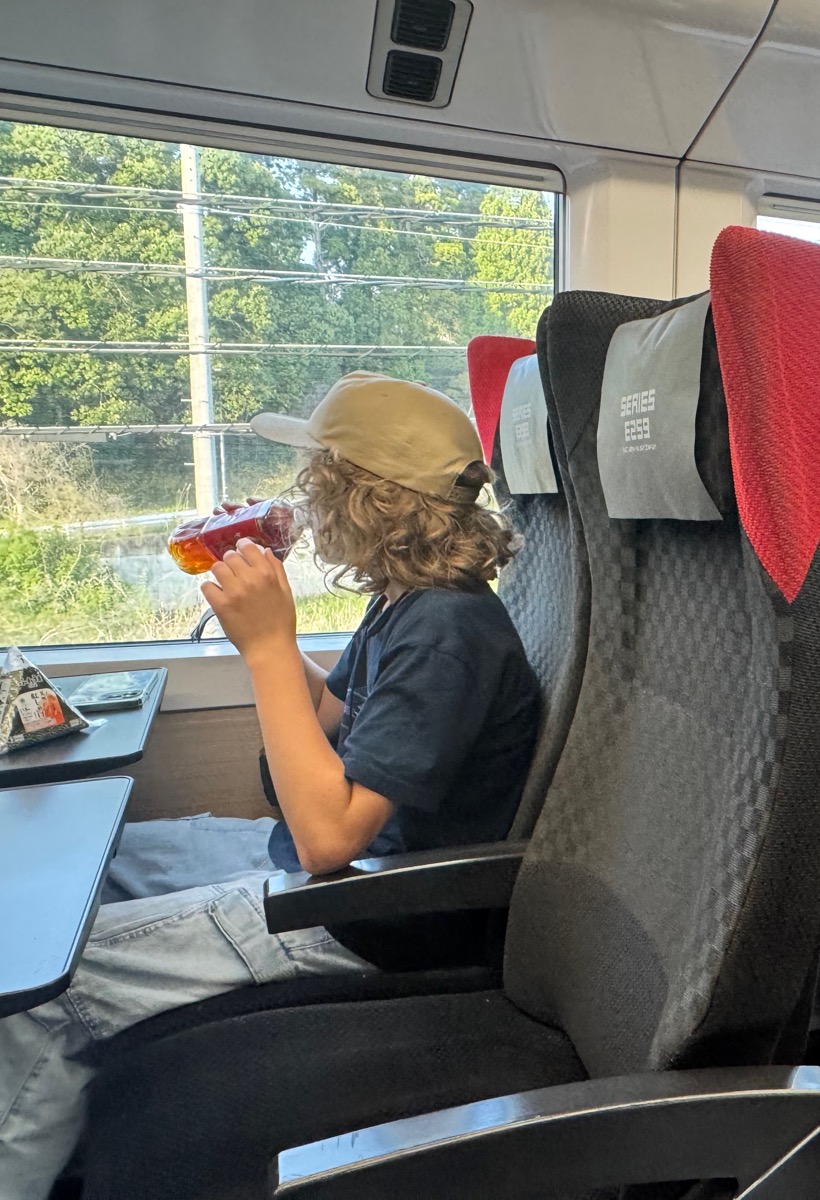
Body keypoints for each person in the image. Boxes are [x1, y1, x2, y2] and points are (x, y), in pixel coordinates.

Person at [0, 372, 539, 1200]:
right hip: (323, 870)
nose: (303, 499)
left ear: (363, 497)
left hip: (363, 912)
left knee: (45, 984)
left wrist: (262, 649)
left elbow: (330, 836)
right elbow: (329, 712)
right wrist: (267, 629)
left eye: (316, 479)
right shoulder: (409, 600)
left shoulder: (448, 632)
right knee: (88, 870)